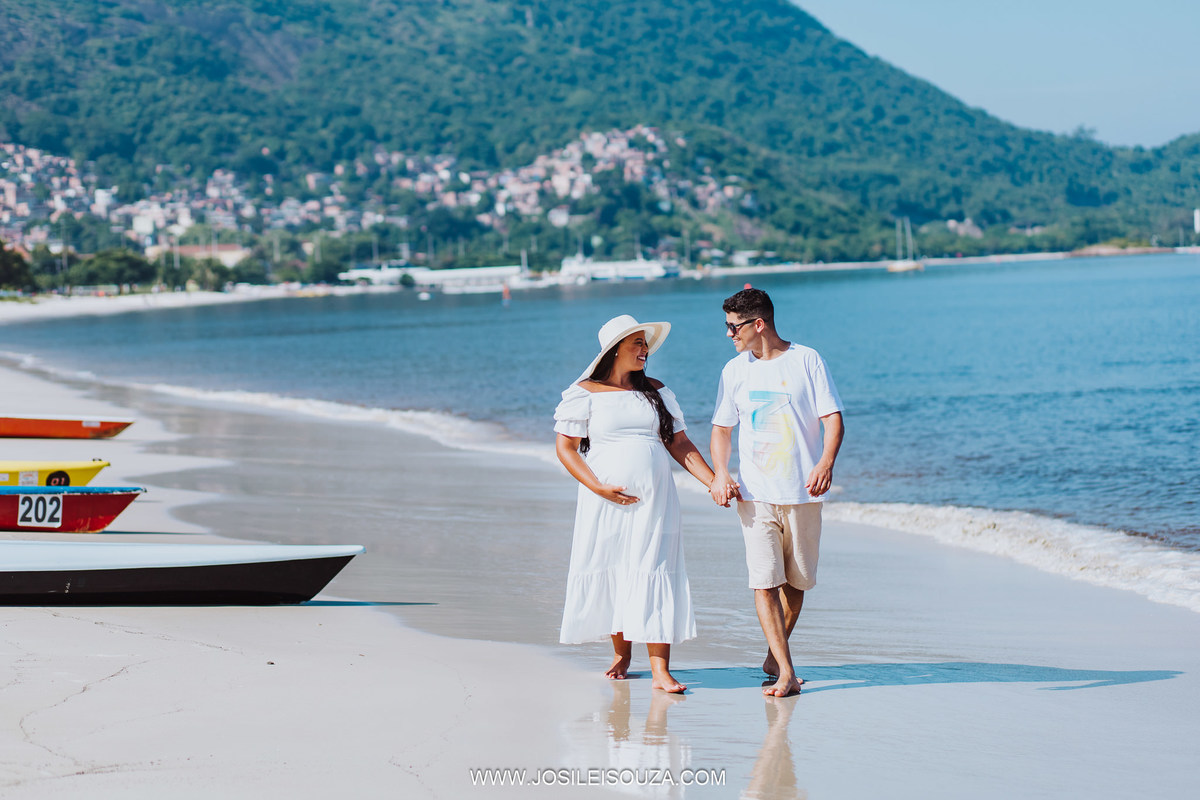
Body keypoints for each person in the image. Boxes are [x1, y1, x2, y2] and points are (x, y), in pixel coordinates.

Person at [554, 314, 722, 693]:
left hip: (656, 499)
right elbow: (565, 448)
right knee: (614, 567)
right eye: (637, 343)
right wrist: (597, 487)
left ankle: (660, 670)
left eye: (646, 344)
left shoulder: (657, 390)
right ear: (615, 350)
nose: (645, 350)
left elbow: (679, 443)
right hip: (605, 499)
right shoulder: (586, 391)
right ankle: (622, 654)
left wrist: (714, 482)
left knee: (654, 567)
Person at [709, 288, 845, 697]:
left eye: (734, 327)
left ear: (758, 324)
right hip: (754, 494)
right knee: (764, 582)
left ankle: (774, 653)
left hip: (802, 492)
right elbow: (720, 429)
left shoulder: (807, 360)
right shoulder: (734, 370)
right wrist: (720, 473)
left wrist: (825, 463)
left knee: (796, 585)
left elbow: (833, 419)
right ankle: (786, 672)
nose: (729, 335)